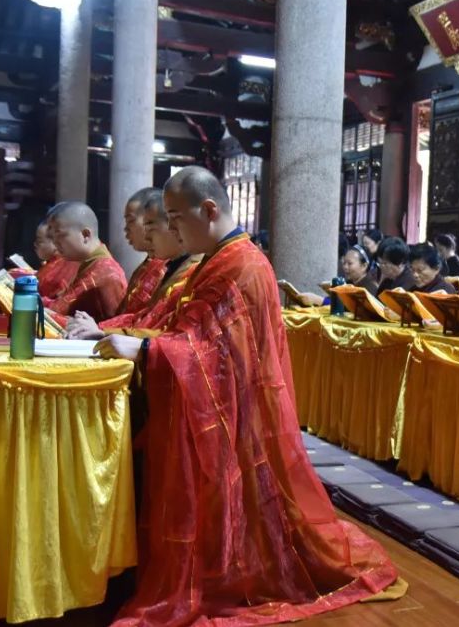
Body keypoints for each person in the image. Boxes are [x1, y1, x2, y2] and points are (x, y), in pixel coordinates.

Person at [93, 166, 400, 625]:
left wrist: (144, 348)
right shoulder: (219, 258)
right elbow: (195, 334)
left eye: (176, 217)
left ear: (210, 209)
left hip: (237, 404)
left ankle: (236, 572)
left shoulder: (239, 262)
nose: (172, 228)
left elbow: (205, 346)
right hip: (224, 399)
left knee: (247, 504)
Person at [66, 192, 202, 339]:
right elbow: (142, 317)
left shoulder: (191, 271)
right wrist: (101, 329)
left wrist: (102, 330)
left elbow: (173, 334)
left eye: (150, 227)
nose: (147, 236)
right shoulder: (167, 265)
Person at [46, 201, 128, 321]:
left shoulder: (106, 273)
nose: (55, 242)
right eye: (52, 237)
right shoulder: (90, 264)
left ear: (85, 235)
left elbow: (59, 311)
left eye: (60, 235)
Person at [116, 188, 168, 316]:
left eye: (131, 221)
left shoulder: (162, 267)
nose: (126, 229)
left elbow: (144, 320)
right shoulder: (148, 264)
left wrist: (101, 328)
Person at [33, 220, 79, 300]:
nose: (35, 244)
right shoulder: (63, 261)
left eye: (39, 241)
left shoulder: (55, 273)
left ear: (55, 243)